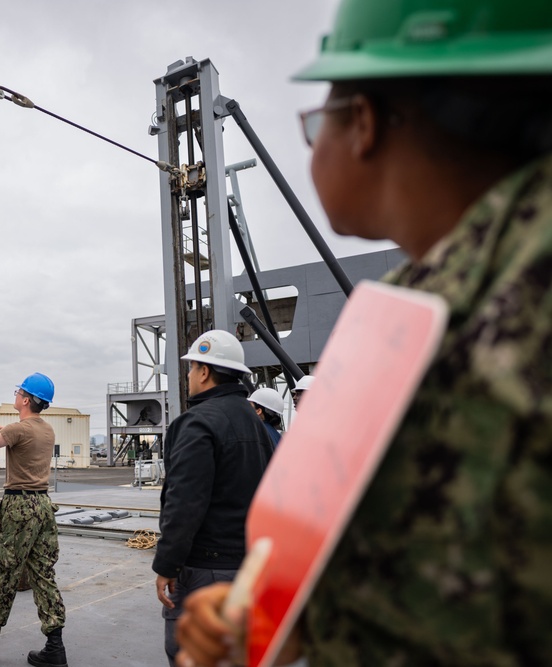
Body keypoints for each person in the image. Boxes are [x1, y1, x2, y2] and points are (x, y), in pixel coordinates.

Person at [175, 1, 552, 665]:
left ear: (365, 123)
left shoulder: (492, 312)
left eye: (316, 122)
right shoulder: (428, 299)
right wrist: (288, 620)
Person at [152, 330, 273, 667]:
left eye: (192, 368)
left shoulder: (196, 423)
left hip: (206, 567)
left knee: (192, 653)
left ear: (204, 371)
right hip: (245, 564)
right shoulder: (255, 422)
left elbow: (184, 503)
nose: (189, 376)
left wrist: (166, 564)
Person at [0, 373, 68, 667]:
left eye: (19, 392)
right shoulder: (46, 430)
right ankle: (55, 647)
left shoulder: (18, 429)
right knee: (43, 573)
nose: (15, 394)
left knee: (2, 574)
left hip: (18, 507)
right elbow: (22, 436)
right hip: (42, 506)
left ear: (26, 400)